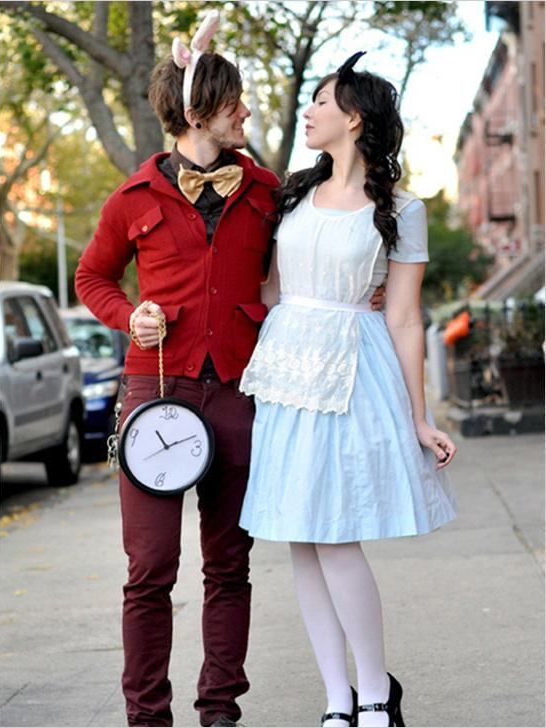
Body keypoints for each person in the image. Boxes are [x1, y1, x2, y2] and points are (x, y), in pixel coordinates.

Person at [75, 11, 386, 727]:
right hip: (155, 395)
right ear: (198, 113)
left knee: (230, 567)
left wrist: (373, 279)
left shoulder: (268, 191)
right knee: (149, 571)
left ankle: (220, 710)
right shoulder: (132, 198)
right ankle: (147, 717)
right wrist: (131, 317)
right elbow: (93, 278)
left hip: (245, 396)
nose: (247, 110)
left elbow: (323, 240)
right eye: (235, 101)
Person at [238, 52, 458, 728]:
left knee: (334, 534)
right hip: (286, 373)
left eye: (321, 101)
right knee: (300, 536)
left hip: (354, 372)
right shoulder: (291, 193)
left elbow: (402, 317)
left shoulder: (401, 209)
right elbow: (271, 288)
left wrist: (420, 419)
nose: (307, 111)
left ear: (354, 116)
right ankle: (336, 700)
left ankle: (372, 694)